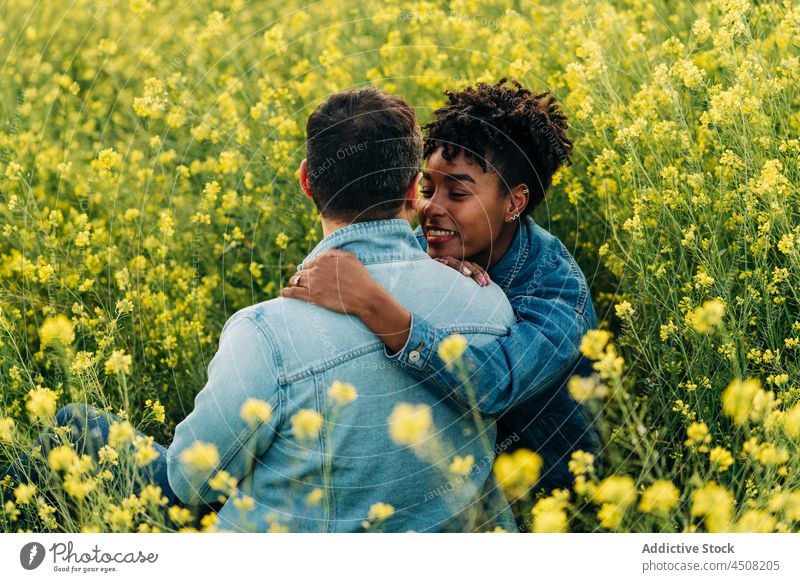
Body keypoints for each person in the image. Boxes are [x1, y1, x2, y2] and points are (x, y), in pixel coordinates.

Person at [3, 86, 520, 533]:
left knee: (75, 429)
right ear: (414, 189)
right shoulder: (490, 305)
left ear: (306, 182)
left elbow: (189, 482)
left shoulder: (266, 333)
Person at [281, 79, 601, 505]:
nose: (432, 208)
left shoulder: (555, 288)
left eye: (458, 193)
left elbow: (493, 385)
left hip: (548, 501)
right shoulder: (424, 248)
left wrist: (375, 304)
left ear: (514, 203)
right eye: (428, 188)